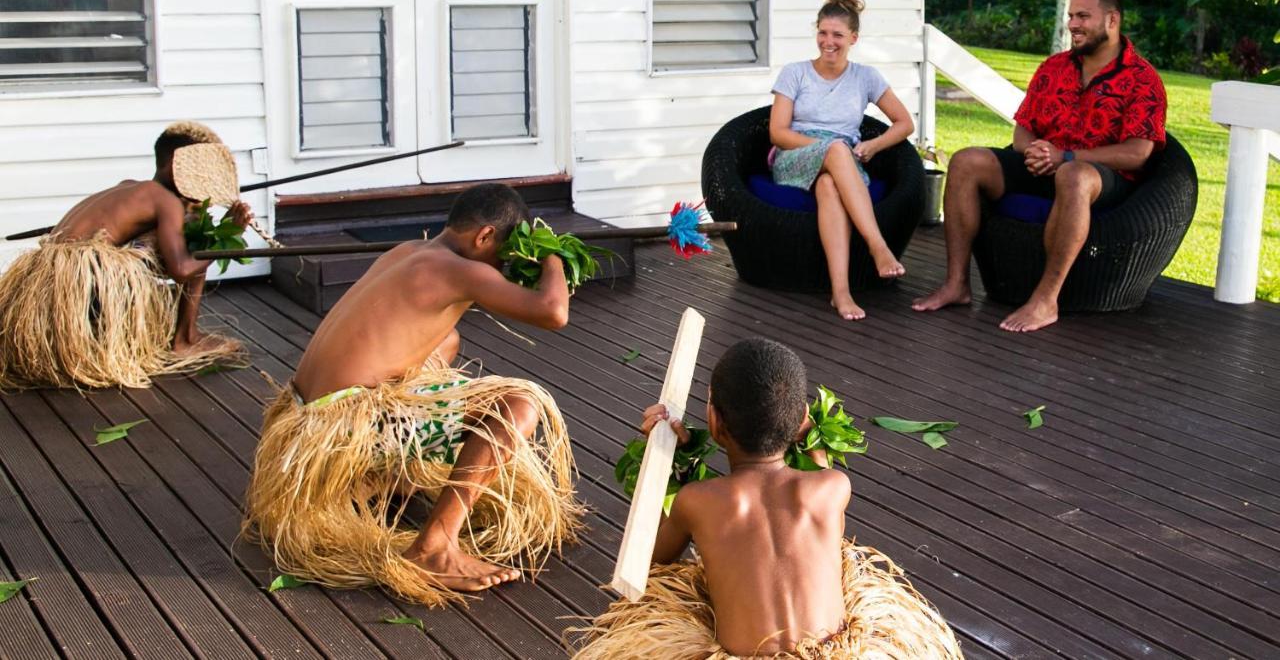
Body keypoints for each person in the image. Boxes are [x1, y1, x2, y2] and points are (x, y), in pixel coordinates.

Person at [244, 183, 583, 606]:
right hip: (349, 424)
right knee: (518, 406)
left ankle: (379, 478)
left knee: (446, 342)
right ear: (483, 237)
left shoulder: (407, 251)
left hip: (307, 419)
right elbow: (554, 311)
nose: (502, 264)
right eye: (503, 252)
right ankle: (434, 546)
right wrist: (554, 252)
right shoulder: (463, 270)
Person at [571, 338, 961, 659]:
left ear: (714, 422)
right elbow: (816, 483)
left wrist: (671, 458)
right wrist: (805, 433)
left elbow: (648, 564)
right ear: (801, 419)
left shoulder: (698, 502)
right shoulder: (832, 488)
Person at [913, 0, 1167, 332]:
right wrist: (1035, 151)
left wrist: (1065, 156)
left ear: (1112, 20)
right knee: (966, 160)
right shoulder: (1054, 68)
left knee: (1073, 175)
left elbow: (1138, 153)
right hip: (1048, 164)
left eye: (1083, 16)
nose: (1073, 24)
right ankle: (956, 284)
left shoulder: (1142, 79)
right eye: (1070, 16)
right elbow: (1023, 131)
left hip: (1100, 177)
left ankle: (1047, 300)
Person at [0, 121, 249, 390]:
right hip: (82, 290)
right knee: (196, 253)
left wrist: (197, 217)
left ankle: (177, 338)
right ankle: (184, 340)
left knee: (188, 242)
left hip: (47, 287)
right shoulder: (165, 201)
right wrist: (227, 236)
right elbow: (180, 269)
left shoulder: (131, 186)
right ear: (175, 165)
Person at [769, 0, 916, 321]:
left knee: (828, 187)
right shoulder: (795, 73)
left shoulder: (866, 77)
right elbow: (777, 132)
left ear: (853, 38)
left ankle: (841, 292)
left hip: (844, 162)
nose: (828, 41)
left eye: (837, 34)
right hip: (795, 155)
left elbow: (904, 123)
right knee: (836, 149)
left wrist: (873, 146)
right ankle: (878, 246)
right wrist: (824, 146)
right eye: (822, 32)